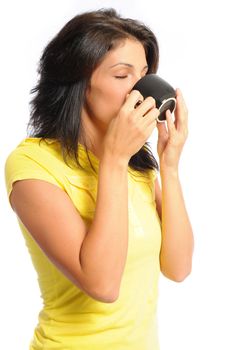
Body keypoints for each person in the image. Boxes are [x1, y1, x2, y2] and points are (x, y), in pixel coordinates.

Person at [4, 8, 194, 350]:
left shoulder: (138, 164)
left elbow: (178, 267)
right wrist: (114, 159)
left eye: (144, 74)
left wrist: (170, 165)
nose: (141, 90)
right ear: (79, 87)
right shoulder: (33, 163)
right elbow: (103, 284)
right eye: (123, 76)